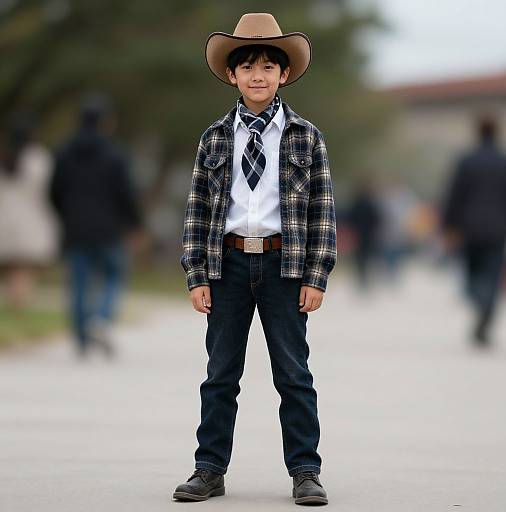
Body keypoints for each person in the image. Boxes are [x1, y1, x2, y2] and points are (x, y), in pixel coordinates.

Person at [175, 13, 336, 506]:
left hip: (283, 267)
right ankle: (209, 469)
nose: (259, 74)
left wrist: (317, 274)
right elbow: (198, 209)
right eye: (248, 66)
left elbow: (322, 208)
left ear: (284, 74)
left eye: (269, 65)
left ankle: (305, 471)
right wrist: (196, 273)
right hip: (226, 266)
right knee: (221, 373)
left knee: (293, 374)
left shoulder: (305, 136)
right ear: (232, 75)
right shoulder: (215, 138)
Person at [49, 95, 144, 358]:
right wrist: (135, 224)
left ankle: (81, 339)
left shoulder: (64, 152)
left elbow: (54, 191)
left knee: (78, 282)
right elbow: (126, 193)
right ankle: (101, 318)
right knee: (114, 275)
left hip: (75, 227)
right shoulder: (115, 154)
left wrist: (65, 215)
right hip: (109, 228)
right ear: (106, 122)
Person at [442, 114, 506, 346]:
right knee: (493, 274)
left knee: (472, 275)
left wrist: (449, 226)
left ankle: (480, 302)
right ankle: (486, 306)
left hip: (469, 228)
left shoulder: (467, 161)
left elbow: (455, 195)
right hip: (498, 229)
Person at [0, 114, 58, 308]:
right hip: (30, 219)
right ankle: (19, 304)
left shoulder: (5, 155)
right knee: (23, 268)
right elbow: (48, 188)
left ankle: (14, 301)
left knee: (13, 268)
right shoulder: (38, 158)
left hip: (5, 218)